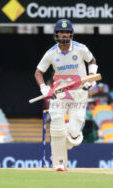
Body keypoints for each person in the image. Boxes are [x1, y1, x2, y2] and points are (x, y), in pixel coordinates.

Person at [34, 19, 98, 171]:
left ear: (71, 34)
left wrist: (92, 77)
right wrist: (44, 87)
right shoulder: (51, 53)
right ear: (56, 34)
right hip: (60, 93)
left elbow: (92, 60)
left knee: (75, 131)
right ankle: (58, 163)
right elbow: (38, 72)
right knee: (56, 122)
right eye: (61, 32)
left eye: (67, 32)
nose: (64, 35)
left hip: (79, 93)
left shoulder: (80, 49)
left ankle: (68, 137)